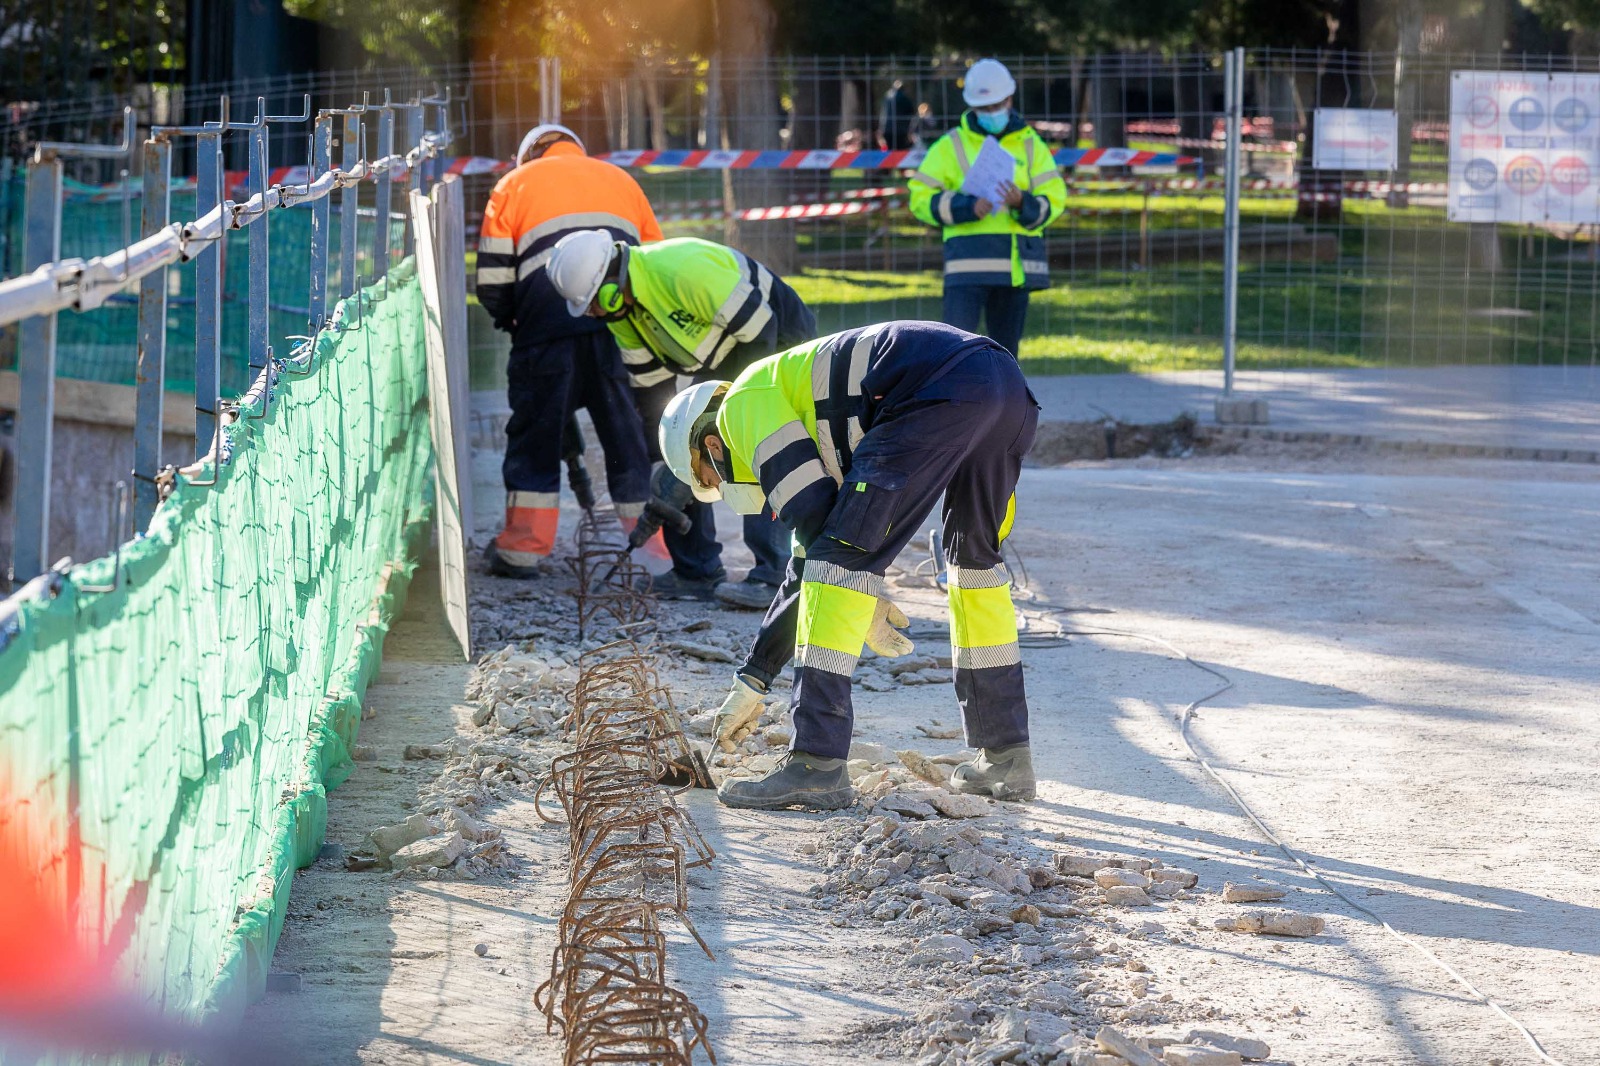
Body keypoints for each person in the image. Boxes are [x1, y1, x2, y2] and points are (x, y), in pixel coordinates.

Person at [658, 321, 1040, 812]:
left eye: (710, 478)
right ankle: (1006, 758)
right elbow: (806, 559)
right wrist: (752, 680)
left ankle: (816, 764)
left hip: (936, 390)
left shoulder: (741, 407)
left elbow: (823, 539)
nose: (720, 486)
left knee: (838, 563)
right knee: (975, 567)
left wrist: (863, 582)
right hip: (1006, 389)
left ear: (712, 445)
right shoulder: (815, 419)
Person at [545, 231, 817, 608]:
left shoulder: (681, 271)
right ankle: (696, 570)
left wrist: (733, 407)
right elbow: (651, 395)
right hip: (725, 351)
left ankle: (773, 575)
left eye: (593, 304)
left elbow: (761, 331)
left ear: (612, 282)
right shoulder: (621, 315)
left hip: (777, 335)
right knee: (684, 443)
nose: (594, 315)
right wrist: (667, 461)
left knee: (758, 440)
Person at [474, 124, 663, 577]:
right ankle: (653, 553)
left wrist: (514, 320)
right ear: (577, 149)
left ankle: (522, 551)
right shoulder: (622, 180)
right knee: (628, 438)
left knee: (536, 437)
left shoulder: (513, 184)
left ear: (529, 156)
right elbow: (655, 261)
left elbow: (493, 280)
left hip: (544, 331)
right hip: (619, 327)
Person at [907, 58, 1067, 360]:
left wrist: (1022, 202)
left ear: (1009, 100)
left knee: (1006, 360)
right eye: (984, 107)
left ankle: (1002, 395)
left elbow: (1055, 197)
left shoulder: (1031, 144)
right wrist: (965, 206)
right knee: (952, 356)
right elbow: (919, 197)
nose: (991, 113)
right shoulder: (950, 145)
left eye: (996, 105)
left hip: (1013, 271)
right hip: (966, 269)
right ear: (972, 106)